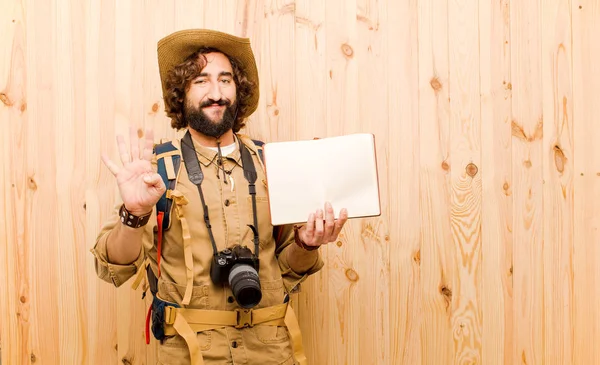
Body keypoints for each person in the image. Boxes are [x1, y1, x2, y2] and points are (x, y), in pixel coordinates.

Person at [91, 28, 348, 365]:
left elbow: (284, 271)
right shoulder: (156, 171)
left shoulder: (274, 166)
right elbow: (114, 267)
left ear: (238, 89)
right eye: (200, 81)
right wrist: (134, 211)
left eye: (225, 80)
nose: (216, 93)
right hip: (190, 354)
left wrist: (308, 244)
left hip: (272, 352)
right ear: (181, 93)